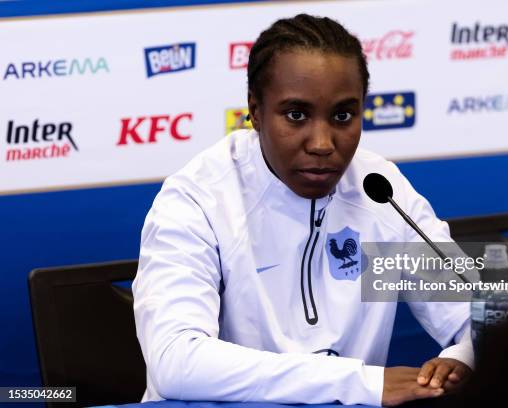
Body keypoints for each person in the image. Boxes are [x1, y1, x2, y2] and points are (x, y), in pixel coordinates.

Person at [132, 13, 473, 407]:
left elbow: (486, 313)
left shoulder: (381, 187)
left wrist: (459, 359)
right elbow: (176, 361)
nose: (323, 143)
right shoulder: (197, 197)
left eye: (343, 115)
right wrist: (357, 382)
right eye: (296, 115)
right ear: (255, 111)